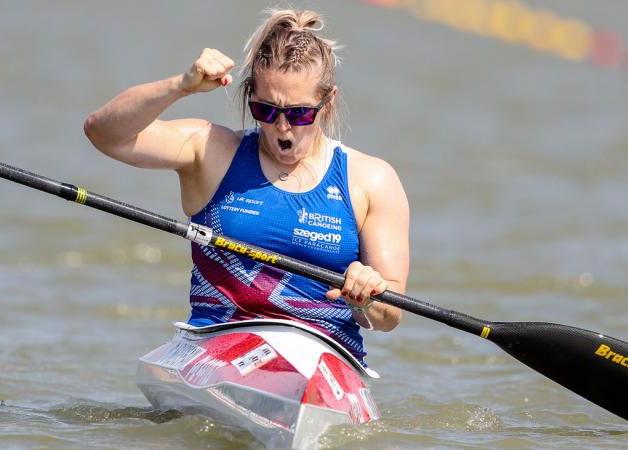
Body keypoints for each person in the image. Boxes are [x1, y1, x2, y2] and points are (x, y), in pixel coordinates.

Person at [84, 8, 409, 363]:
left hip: (325, 360)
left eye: (299, 114)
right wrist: (180, 86)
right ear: (249, 96)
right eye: (266, 111)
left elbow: (389, 318)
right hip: (216, 348)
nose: (283, 128)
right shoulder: (211, 152)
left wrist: (367, 297)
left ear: (326, 103)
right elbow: (104, 134)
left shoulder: (372, 180)